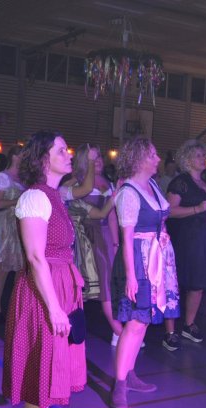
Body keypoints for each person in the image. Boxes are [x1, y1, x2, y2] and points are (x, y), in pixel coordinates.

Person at [2, 130, 86, 408]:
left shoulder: (53, 196)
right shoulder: (35, 197)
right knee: (43, 379)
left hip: (59, 287)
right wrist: (54, 308)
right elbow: (36, 257)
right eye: (61, 150)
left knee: (50, 377)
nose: (68, 154)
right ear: (42, 159)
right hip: (43, 294)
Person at [109, 136, 180, 408]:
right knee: (136, 322)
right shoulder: (129, 192)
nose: (158, 159)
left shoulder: (152, 185)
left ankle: (129, 374)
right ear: (139, 159)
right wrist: (130, 275)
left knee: (145, 320)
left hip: (156, 258)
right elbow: (126, 237)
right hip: (139, 260)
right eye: (152, 155)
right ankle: (119, 386)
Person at [68, 145, 123, 344]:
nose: (98, 160)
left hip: (104, 236)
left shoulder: (106, 182)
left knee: (109, 283)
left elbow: (112, 216)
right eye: (94, 157)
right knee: (92, 285)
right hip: (86, 237)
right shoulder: (77, 181)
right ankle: (117, 330)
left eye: (100, 157)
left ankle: (117, 330)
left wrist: (115, 243)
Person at [164, 139, 206, 351]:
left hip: (203, 238)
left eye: (204, 155)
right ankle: (170, 331)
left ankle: (188, 324)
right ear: (187, 160)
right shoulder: (180, 182)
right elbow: (169, 211)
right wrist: (196, 209)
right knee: (175, 284)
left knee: (198, 284)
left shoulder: (205, 183)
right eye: (198, 156)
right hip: (184, 238)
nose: (203, 159)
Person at [0, 146, 26, 322]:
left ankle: (15, 306)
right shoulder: (3, 177)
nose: (24, 158)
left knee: (21, 267)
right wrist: (18, 200)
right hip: (7, 224)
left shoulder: (25, 178)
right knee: (4, 268)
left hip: (22, 223)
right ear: (14, 156)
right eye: (21, 155)